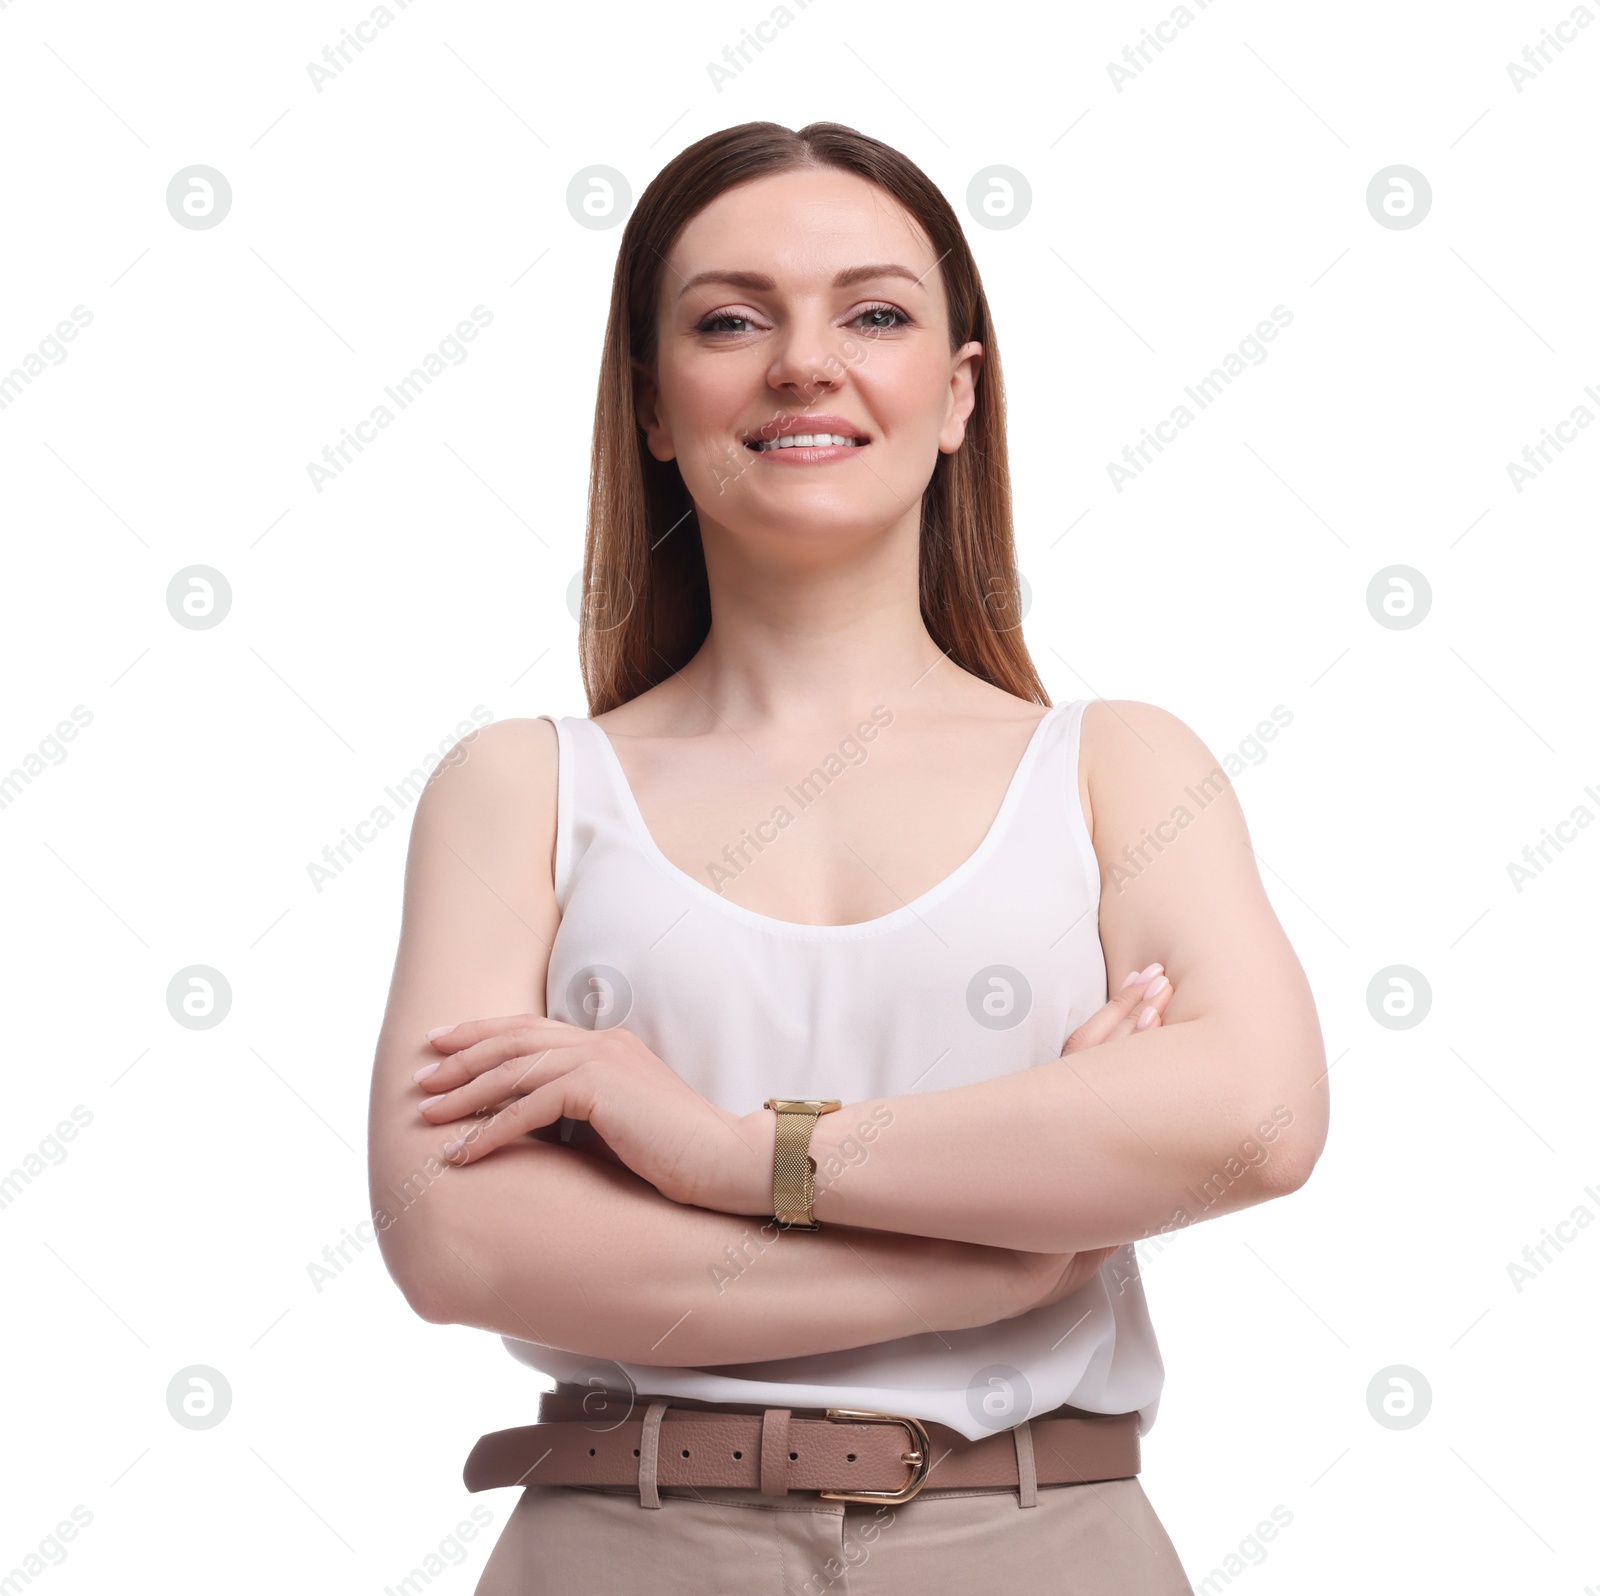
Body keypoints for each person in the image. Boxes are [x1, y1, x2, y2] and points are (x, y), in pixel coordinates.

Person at [366, 119, 1327, 1595]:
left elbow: (1253, 1120)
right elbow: (459, 1240)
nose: (804, 362)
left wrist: (726, 1152)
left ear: (955, 396)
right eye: (730, 320)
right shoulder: (523, 789)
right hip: (623, 1542)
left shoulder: (1120, 766)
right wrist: (1000, 1249)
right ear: (652, 408)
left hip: (1044, 1539)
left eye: (873, 314)